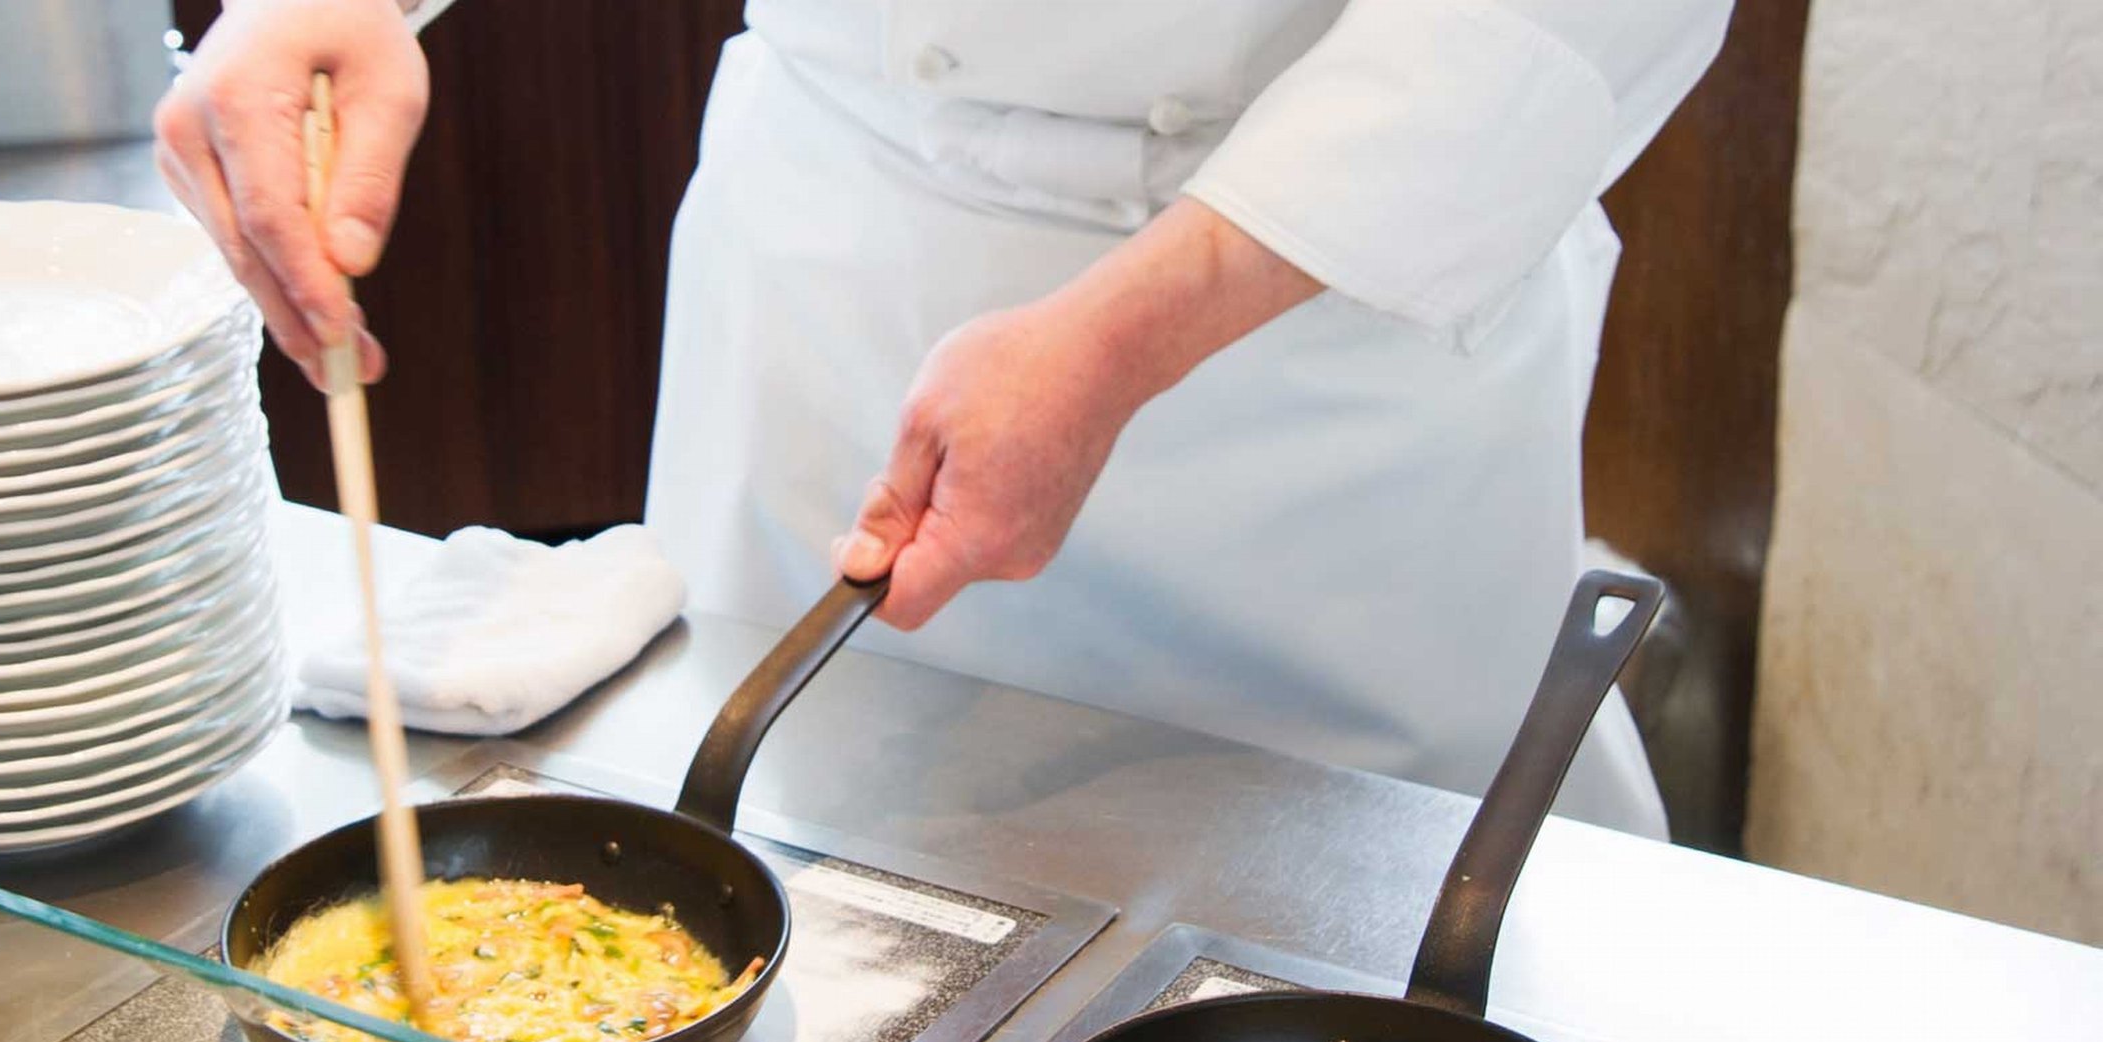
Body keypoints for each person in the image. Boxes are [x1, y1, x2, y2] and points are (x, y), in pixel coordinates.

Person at [155, 0, 1733, 839]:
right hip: (842, 255)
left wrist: (1129, 333)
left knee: (1355, 983)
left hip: (1321, 320)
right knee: (799, 916)